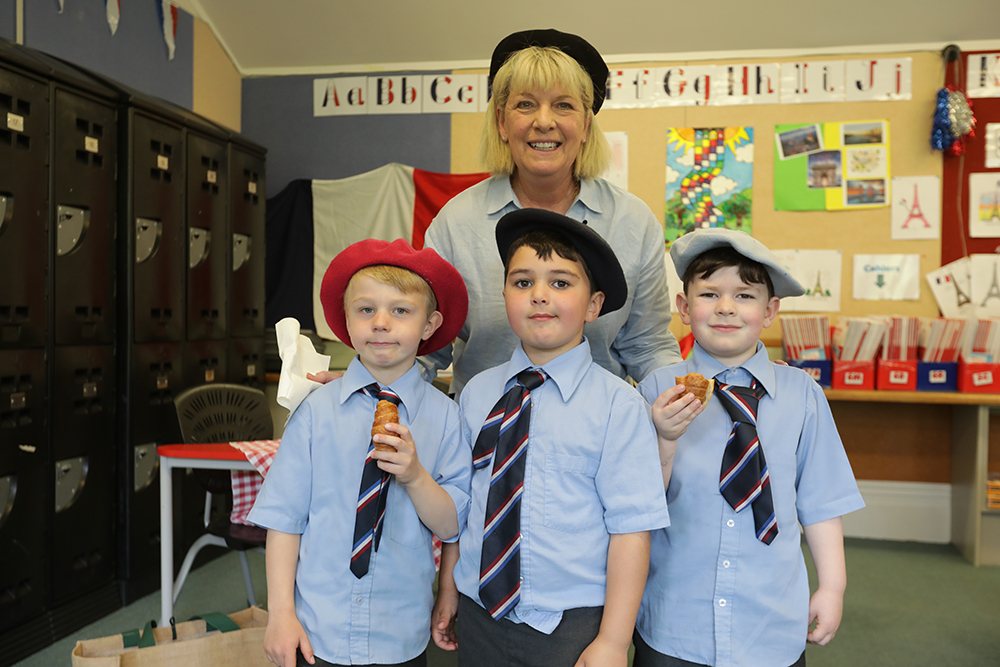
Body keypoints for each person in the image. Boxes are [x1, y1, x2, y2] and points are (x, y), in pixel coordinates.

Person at [435, 208, 670, 667]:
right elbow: (462, 504)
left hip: (573, 623)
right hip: (480, 610)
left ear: (594, 304)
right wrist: (448, 589)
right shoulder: (477, 393)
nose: (539, 295)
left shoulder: (619, 406)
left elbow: (631, 530)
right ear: (503, 295)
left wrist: (614, 641)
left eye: (561, 283)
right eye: (523, 283)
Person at [634, 228, 865, 667]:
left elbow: (821, 500)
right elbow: (638, 501)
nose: (725, 307)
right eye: (708, 293)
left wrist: (832, 587)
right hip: (674, 622)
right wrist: (664, 437)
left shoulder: (803, 395)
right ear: (684, 308)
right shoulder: (658, 390)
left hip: (770, 624)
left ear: (769, 310)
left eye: (744, 295)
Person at [248, 239, 473, 667]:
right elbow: (284, 518)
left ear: (429, 324)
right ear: (345, 321)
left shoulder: (446, 419)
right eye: (366, 309)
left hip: (400, 633)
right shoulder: (314, 413)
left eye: (401, 310)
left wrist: (415, 477)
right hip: (318, 630)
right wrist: (280, 615)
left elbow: (453, 525)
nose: (381, 324)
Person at [421, 28, 681, 397]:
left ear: (587, 124)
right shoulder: (455, 223)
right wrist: (371, 383)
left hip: (598, 434)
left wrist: (693, 393)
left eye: (564, 104)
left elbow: (648, 345)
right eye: (525, 104)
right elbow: (427, 343)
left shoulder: (634, 223)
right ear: (501, 122)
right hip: (484, 435)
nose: (544, 121)